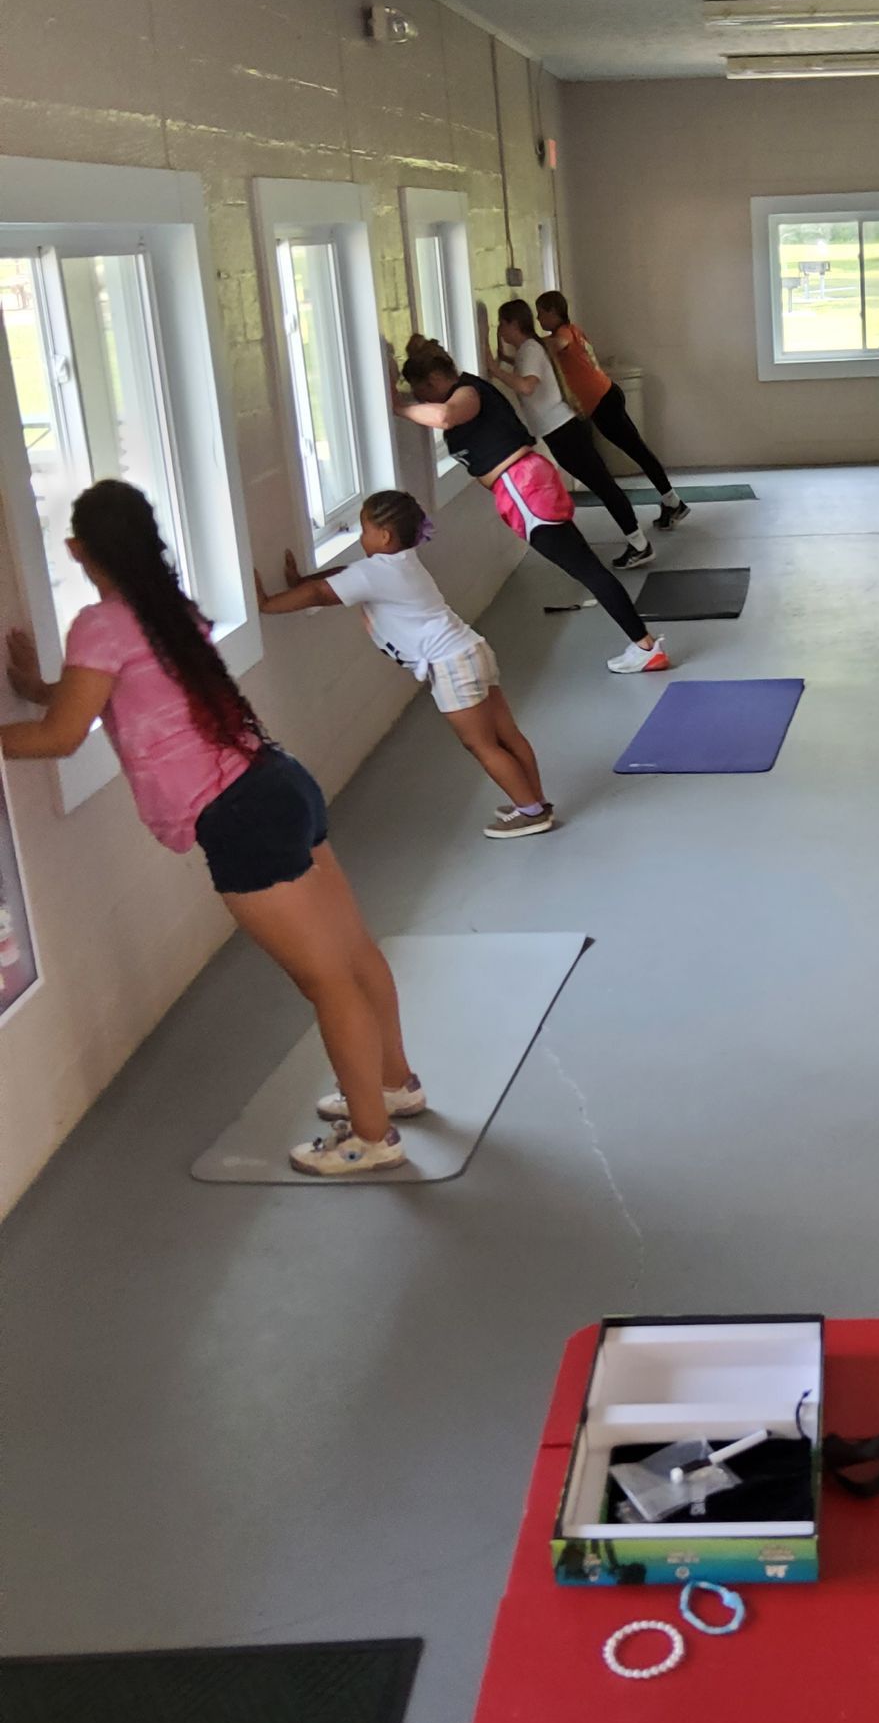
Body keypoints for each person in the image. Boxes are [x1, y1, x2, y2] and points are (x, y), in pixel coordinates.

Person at [2, 481, 420, 1176]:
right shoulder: (170, 609)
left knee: (327, 981)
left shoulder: (101, 624)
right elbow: (99, 690)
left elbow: (61, 733)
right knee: (351, 953)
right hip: (277, 781)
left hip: (239, 816)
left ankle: (370, 1137)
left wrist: (34, 711)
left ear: (77, 550)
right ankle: (394, 1086)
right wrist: (40, 685)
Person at [255, 489, 556, 841]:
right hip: (471, 650)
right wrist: (303, 580)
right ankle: (535, 802)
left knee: (481, 744)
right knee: (507, 735)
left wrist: (268, 604)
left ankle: (530, 812)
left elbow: (323, 593)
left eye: (364, 529)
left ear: (384, 535)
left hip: (451, 665)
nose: (362, 537)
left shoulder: (374, 573)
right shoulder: (398, 562)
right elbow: (342, 576)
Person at [387, 337, 668, 676]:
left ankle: (646, 646)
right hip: (524, 487)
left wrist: (397, 407)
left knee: (588, 570)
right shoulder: (465, 389)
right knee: (586, 566)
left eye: (421, 393)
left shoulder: (468, 393)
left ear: (433, 381)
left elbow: (444, 416)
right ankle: (644, 644)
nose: (420, 402)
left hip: (525, 489)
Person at [486, 299, 657, 573]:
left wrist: (494, 369)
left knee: (603, 485)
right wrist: (499, 359)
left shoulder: (531, 349)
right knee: (602, 483)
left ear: (513, 324)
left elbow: (527, 386)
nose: (500, 330)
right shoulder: (530, 349)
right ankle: (637, 542)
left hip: (564, 430)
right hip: (560, 430)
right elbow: (525, 373)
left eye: (501, 324)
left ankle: (639, 544)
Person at [532, 292, 686, 529]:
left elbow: (556, 345)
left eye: (541, 312)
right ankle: (672, 500)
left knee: (637, 450)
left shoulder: (564, 333)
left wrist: (527, 340)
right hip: (606, 397)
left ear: (553, 311)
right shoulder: (572, 329)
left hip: (603, 402)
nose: (538, 318)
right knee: (638, 450)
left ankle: (673, 501)